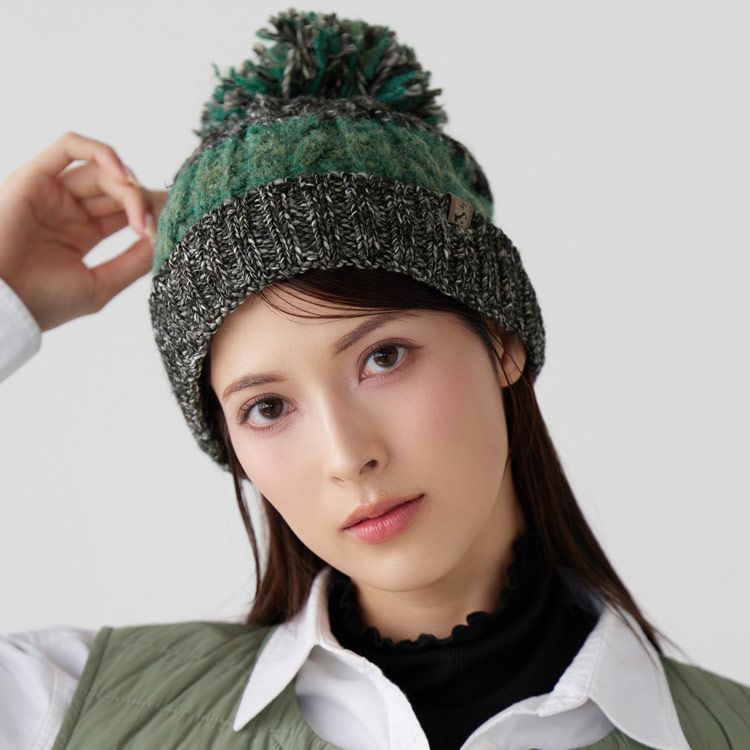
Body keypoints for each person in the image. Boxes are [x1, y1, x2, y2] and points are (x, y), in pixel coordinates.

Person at [1, 9, 749, 750]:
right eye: (268, 407)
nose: (346, 455)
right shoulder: (72, 708)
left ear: (501, 339)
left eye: (383, 357)